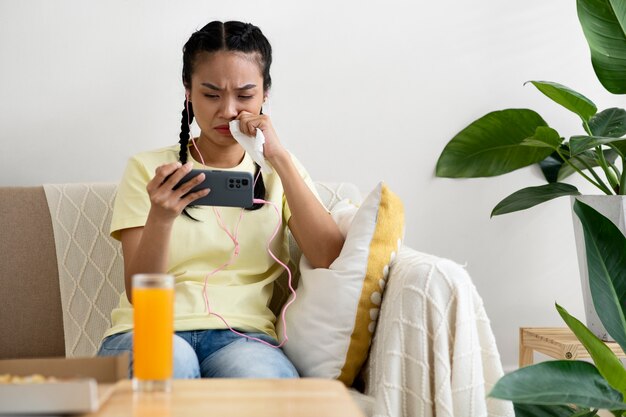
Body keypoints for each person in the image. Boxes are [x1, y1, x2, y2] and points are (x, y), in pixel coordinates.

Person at [97, 20, 345, 379]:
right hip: (149, 331)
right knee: (173, 362)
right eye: (211, 94)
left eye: (244, 95)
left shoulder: (280, 172)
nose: (228, 110)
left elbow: (329, 256)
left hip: (243, 338)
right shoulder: (149, 169)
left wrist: (278, 158)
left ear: (264, 95)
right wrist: (162, 218)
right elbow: (140, 293)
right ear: (188, 92)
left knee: (261, 380)